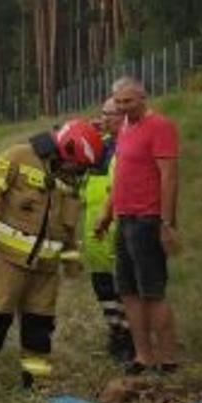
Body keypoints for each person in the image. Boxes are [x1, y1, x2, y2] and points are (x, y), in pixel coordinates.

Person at [0, 120, 101, 379]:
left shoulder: (70, 179)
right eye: (80, 165)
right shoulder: (18, 156)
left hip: (46, 268)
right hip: (8, 260)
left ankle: (36, 379)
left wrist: (71, 259)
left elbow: (68, 225)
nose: (81, 172)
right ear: (67, 149)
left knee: (40, 326)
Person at [95, 76, 182, 375]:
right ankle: (143, 355)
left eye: (128, 102)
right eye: (118, 103)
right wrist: (107, 214)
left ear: (143, 98)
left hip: (147, 220)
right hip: (124, 219)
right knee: (128, 291)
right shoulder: (126, 129)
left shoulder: (160, 127)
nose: (122, 108)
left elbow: (169, 177)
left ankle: (168, 358)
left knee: (152, 292)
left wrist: (166, 223)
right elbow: (119, 177)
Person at [84, 98, 135, 364]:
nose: (104, 118)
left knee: (125, 286)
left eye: (110, 114)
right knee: (102, 285)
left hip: (119, 223)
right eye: (102, 113)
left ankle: (131, 337)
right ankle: (115, 331)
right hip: (93, 228)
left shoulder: (132, 142)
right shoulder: (98, 145)